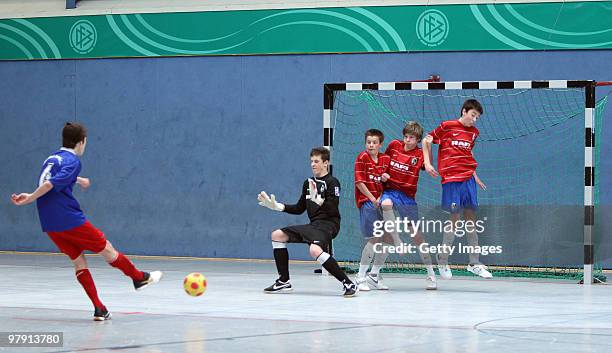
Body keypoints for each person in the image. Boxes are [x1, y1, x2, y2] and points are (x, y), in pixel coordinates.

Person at [11, 122, 163, 321]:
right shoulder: (73, 160)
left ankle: (100, 309)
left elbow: (55, 178)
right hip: (68, 218)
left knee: (78, 261)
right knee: (107, 249)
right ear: (81, 142)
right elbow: (50, 184)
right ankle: (138, 278)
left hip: (49, 223)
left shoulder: (52, 158)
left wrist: (78, 179)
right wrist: (30, 197)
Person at [257, 147, 358, 297]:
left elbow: (333, 209)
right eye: (311, 161)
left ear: (326, 163)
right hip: (314, 226)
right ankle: (284, 281)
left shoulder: (332, 182)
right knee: (277, 235)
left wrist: (320, 201)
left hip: (329, 225)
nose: (313, 164)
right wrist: (278, 206)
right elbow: (299, 208)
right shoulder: (308, 183)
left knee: (314, 250)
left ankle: (348, 283)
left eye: (316, 161)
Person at [422, 99, 493, 279]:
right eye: (472, 115)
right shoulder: (447, 126)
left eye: (477, 117)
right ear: (464, 111)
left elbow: (468, 152)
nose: (474, 119)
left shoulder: (474, 133)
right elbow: (426, 140)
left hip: (468, 179)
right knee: (454, 219)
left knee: (471, 218)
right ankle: (443, 259)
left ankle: (474, 263)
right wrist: (428, 163)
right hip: (451, 179)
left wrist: (474, 175)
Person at [378, 121, 437, 290]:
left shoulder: (419, 154)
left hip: (407, 197)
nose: (407, 140)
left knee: (417, 237)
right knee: (386, 206)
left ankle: (431, 274)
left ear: (418, 140)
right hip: (390, 191)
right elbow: (384, 163)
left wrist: (428, 146)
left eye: (411, 137)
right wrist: (382, 174)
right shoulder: (394, 145)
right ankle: (376, 270)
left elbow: (427, 165)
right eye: (406, 136)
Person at [353, 129, 395, 291]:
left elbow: (390, 183)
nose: (371, 145)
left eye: (374, 142)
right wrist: (372, 198)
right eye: (368, 142)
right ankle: (360, 276)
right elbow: (359, 182)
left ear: (380, 144)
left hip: (383, 203)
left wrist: (387, 180)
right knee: (376, 237)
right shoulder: (362, 158)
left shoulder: (386, 159)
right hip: (368, 202)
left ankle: (374, 275)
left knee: (389, 239)